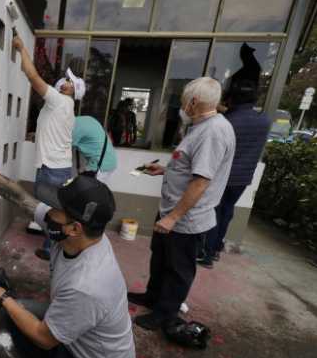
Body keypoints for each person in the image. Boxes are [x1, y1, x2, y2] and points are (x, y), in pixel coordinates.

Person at [0, 144, 137, 358]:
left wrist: (3, 297)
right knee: (18, 312)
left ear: (74, 228)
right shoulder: (79, 235)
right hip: (75, 337)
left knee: (15, 310)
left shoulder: (88, 284)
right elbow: (19, 197)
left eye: (56, 209)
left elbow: (44, 337)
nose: (48, 211)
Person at [127, 77, 236, 330]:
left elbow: (200, 182)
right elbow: (191, 167)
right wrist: (165, 169)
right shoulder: (202, 125)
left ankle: (165, 313)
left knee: (178, 269)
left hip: (185, 218)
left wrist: (173, 218)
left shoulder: (213, 132)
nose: (182, 106)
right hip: (172, 211)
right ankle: (153, 297)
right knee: (161, 258)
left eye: (184, 101)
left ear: (194, 102)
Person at [12, 35, 86, 260]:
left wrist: (22, 48)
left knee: (51, 212)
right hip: (58, 167)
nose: (64, 81)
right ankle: (54, 247)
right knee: (55, 210)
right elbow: (53, 129)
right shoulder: (65, 107)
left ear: (72, 89)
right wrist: (37, 134)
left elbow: (33, 76)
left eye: (68, 81)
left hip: (52, 169)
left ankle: (53, 249)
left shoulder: (59, 100)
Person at [197, 79, 270, 269]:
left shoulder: (227, 121)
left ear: (232, 100)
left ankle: (206, 254)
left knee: (214, 212)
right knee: (227, 211)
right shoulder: (264, 121)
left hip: (224, 176)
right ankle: (216, 248)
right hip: (244, 178)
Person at [72, 115, 117, 186]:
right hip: (107, 161)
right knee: (91, 191)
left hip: (100, 165)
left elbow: (64, 148)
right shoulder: (85, 119)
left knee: (89, 192)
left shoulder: (75, 126)